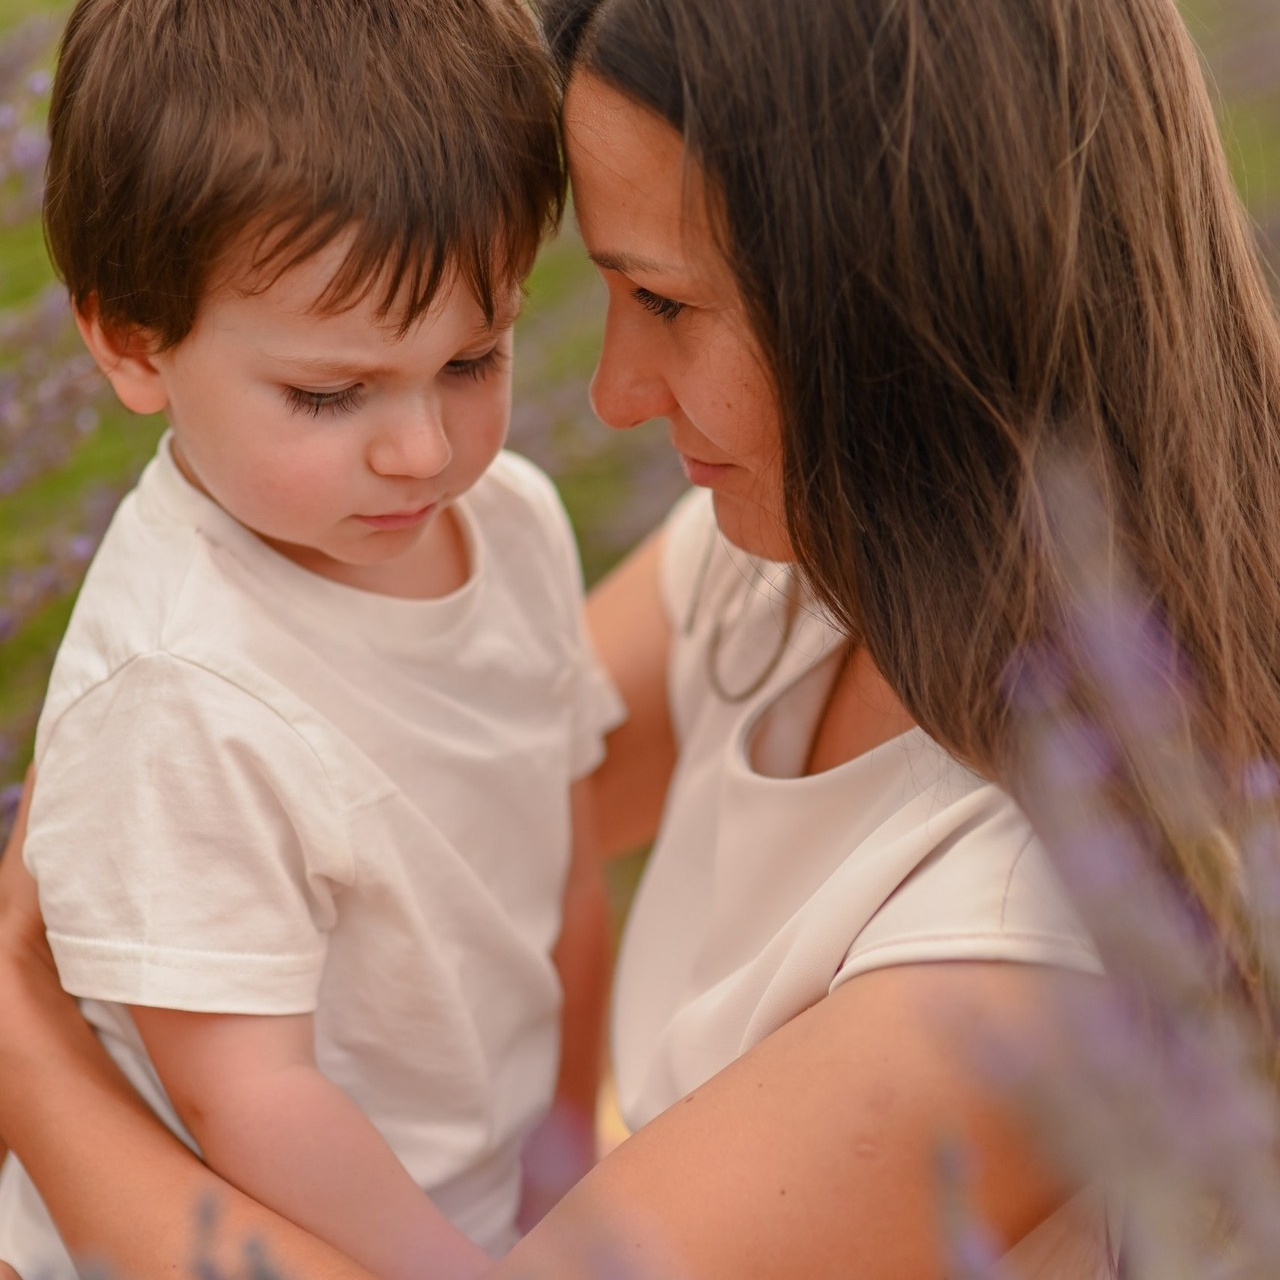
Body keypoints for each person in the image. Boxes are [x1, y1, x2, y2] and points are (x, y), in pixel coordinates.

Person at [2, 0, 1279, 1275]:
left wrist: (17, 1040)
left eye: (664, 301)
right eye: (602, 290)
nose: (606, 396)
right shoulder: (807, 561)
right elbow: (466, 830)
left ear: (899, 302)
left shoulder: (1021, 955)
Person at [0, 2, 624, 1278]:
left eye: (475, 357)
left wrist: (565, 1161)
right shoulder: (179, 690)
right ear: (130, 341)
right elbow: (250, 1098)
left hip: (468, 1208)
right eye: (329, 393)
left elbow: (562, 876)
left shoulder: (510, 522)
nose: (424, 450)